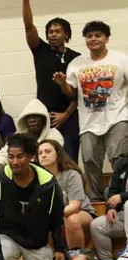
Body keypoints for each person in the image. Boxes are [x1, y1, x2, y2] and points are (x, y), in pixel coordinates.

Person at [54, 21, 128, 201]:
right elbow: (72, 92)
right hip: (88, 122)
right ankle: (96, 201)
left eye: (98, 35)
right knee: (89, 161)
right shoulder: (76, 64)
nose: (93, 39)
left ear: (106, 38)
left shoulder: (120, 59)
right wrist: (63, 84)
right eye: (89, 36)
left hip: (117, 117)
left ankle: (118, 195)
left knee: (120, 159)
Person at [22, 0, 80, 161]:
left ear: (66, 34)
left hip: (69, 115)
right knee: (43, 156)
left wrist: (66, 114)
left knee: (69, 157)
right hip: (44, 115)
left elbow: (79, 93)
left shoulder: (76, 58)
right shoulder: (41, 51)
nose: (53, 34)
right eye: (50, 31)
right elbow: (29, 27)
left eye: (58, 31)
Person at [38, 139, 96, 250]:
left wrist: (51, 216)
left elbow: (75, 206)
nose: (43, 155)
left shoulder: (71, 174)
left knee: (71, 219)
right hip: (53, 217)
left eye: (47, 151)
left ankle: (76, 257)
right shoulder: (37, 179)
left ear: (58, 154)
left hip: (82, 213)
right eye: (40, 153)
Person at [0, 98, 65, 173]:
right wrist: (0, 168)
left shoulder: (54, 135)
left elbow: (49, 161)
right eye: (29, 117)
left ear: (44, 119)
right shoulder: (17, 137)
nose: (32, 120)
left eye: (36, 116)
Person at [90, 156, 128, 260]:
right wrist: (111, 208)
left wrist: (123, 196)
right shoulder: (123, 163)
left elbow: (120, 196)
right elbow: (113, 189)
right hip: (123, 215)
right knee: (97, 225)